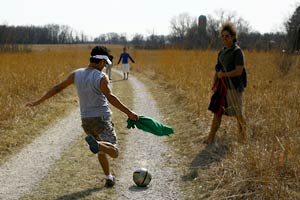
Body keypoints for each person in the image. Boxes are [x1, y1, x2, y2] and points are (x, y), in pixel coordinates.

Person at [26, 46, 139, 187]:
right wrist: (129, 112)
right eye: (105, 64)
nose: (104, 67)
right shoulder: (101, 77)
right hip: (102, 119)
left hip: (86, 121)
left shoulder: (76, 74)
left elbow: (57, 88)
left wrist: (37, 102)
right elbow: (110, 97)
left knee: (101, 148)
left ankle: (108, 176)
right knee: (114, 151)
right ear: (101, 62)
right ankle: (98, 147)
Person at [205, 22, 247, 144]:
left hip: (234, 88)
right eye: (222, 36)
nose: (224, 38)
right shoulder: (221, 51)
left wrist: (224, 75)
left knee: (238, 114)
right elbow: (218, 69)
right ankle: (210, 138)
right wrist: (214, 83)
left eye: (227, 36)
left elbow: (239, 71)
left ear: (233, 37)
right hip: (221, 88)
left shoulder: (237, 52)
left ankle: (243, 139)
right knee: (217, 112)